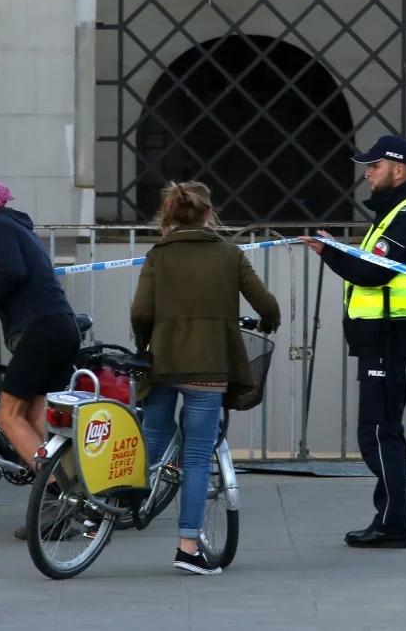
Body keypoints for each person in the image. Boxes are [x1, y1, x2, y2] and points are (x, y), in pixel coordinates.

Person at [130, 181, 280, 575]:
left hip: (162, 366)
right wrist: (268, 322)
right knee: (197, 457)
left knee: (152, 437)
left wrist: (148, 342)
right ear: (209, 213)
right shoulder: (230, 255)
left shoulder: (157, 256)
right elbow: (266, 303)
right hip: (209, 369)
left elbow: (140, 311)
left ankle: (112, 509)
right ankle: (187, 548)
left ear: (169, 215)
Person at [302, 134, 406, 549]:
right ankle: (390, 517)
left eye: (374, 166)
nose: (367, 173)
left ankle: (394, 522)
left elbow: (374, 273)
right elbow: (401, 272)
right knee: (381, 429)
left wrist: (329, 252)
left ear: (399, 170)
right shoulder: (395, 213)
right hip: (383, 332)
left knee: (379, 432)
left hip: (386, 334)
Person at [0, 179, 81, 529]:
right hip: (59, 326)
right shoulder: (16, 225)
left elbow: (11, 273)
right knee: (37, 417)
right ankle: (74, 498)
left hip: (38, 330)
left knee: (8, 417)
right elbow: (17, 277)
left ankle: (57, 500)